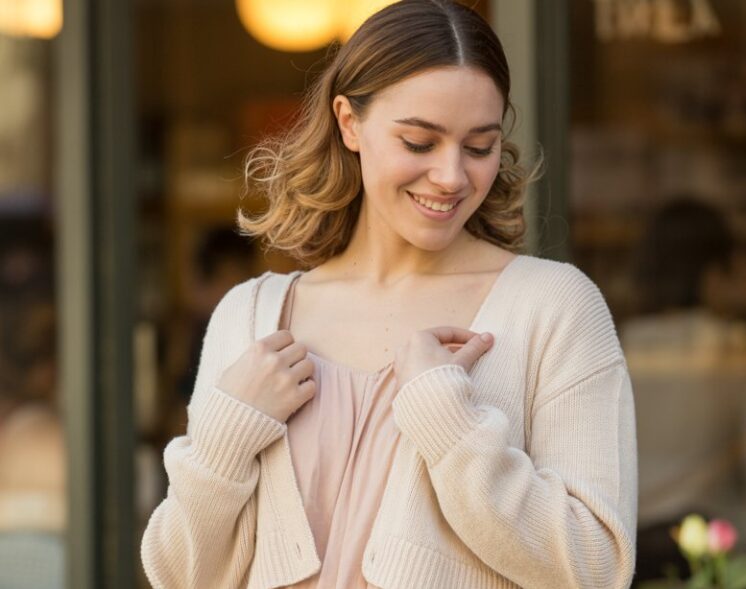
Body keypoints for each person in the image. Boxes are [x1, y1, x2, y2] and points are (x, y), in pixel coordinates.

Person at [140, 1, 638, 588]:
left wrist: (449, 419)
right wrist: (224, 443)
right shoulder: (249, 317)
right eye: (420, 142)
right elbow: (179, 576)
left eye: (478, 146)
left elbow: (595, 567)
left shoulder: (552, 308)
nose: (452, 176)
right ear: (349, 122)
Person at [622, 198, 746, 580]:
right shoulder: (735, 348)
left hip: (630, 553)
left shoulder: (617, 346)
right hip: (714, 556)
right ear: (714, 272)